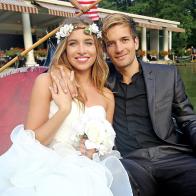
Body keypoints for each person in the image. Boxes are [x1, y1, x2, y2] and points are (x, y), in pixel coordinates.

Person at [56, 13, 196, 196]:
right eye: (111, 44)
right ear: (105, 49)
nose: (119, 48)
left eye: (124, 40)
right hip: (129, 161)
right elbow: (70, 61)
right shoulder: (99, 78)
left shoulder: (167, 74)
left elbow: (187, 119)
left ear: (135, 42)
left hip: (171, 155)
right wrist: (57, 69)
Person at [0, 16, 133, 196]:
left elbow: (105, 145)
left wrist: (94, 149)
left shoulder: (107, 96)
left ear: (97, 48)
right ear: (64, 48)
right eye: (73, 44)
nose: (81, 51)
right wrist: (64, 110)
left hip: (89, 171)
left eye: (88, 43)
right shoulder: (47, 81)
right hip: (45, 168)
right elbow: (30, 142)